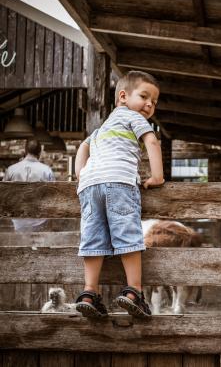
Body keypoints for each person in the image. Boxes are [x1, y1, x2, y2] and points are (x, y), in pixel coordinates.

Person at [75, 70, 164, 318]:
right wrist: (157, 177)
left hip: (90, 186)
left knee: (92, 239)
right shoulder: (133, 117)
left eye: (154, 102)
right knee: (127, 235)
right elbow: (152, 142)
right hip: (119, 182)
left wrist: (80, 173)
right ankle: (134, 290)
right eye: (145, 97)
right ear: (123, 96)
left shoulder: (103, 127)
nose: (149, 104)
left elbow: (83, 146)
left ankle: (89, 293)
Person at [4, 138, 55, 231]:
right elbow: (54, 196)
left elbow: (3, 194)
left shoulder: (11, 169)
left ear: (25, 151)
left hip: (16, 221)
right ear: (39, 153)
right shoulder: (46, 170)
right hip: (40, 222)